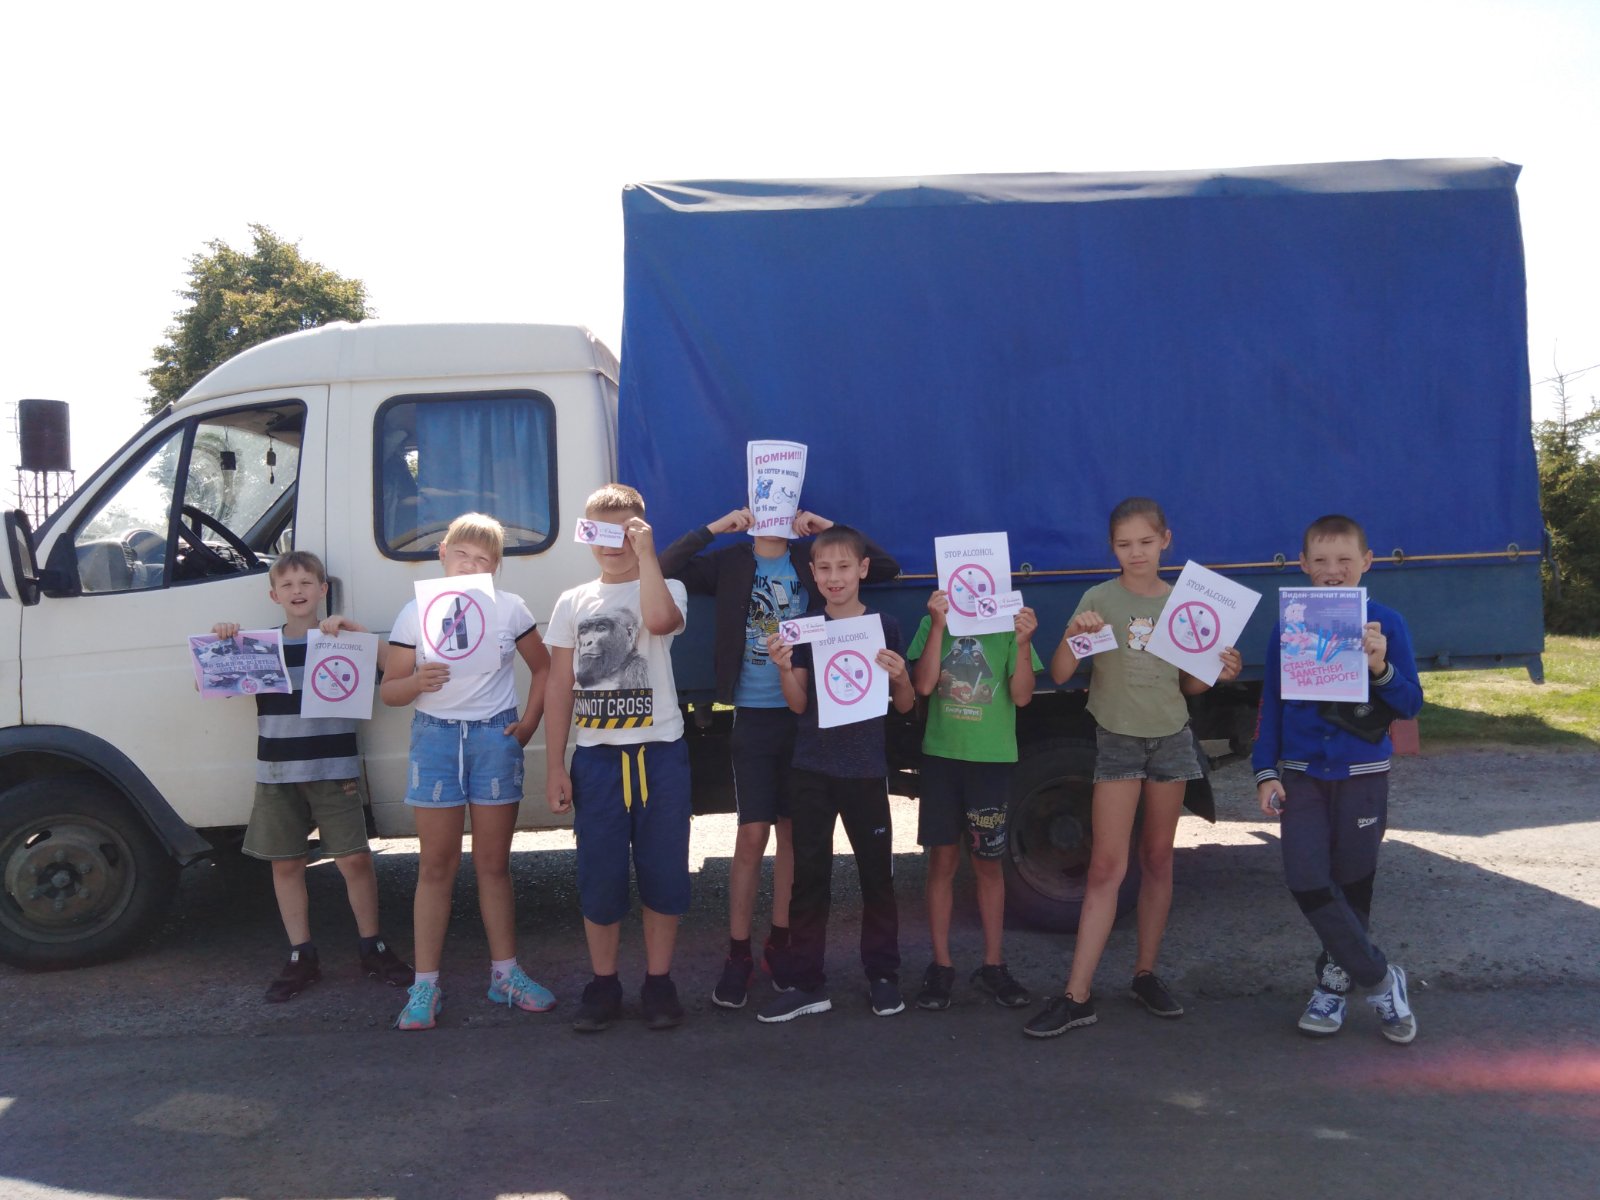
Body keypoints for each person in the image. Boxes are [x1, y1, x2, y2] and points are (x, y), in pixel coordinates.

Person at [658, 505, 901, 1009]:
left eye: (784, 501)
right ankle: (738, 954)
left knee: (798, 839)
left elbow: (881, 566)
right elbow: (663, 566)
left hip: (809, 719)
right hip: (755, 714)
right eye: (765, 499)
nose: (774, 510)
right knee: (752, 834)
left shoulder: (811, 559)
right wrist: (716, 527)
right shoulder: (730, 561)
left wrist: (825, 527)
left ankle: (784, 945)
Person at [1024, 497, 1241, 1038]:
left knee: (1158, 859)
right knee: (1105, 867)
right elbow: (1061, 671)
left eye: (1145, 542)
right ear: (1111, 548)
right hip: (1118, 742)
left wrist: (1218, 670)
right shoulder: (1099, 599)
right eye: (1124, 545)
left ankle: (1145, 974)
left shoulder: (1184, 603)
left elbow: (1189, 684)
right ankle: (1076, 995)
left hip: (1171, 741)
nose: (1136, 552)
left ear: (1166, 540)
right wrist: (1074, 637)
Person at [211, 550, 412, 1002]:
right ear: (274, 595)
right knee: (286, 863)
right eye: (287, 585)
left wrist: (359, 632)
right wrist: (224, 639)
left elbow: (398, 667)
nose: (297, 591)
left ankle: (373, 946)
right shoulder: (258, 647)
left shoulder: (343, 642)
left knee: (355, 860)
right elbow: (210, 680)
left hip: (334, 769)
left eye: (306, 583)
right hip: (277, 773)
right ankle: (301, 954)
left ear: (323, 590)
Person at [1253, 514, 1424, 1043]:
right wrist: (1265, 771)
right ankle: (1380, 979)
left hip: (1363, 775)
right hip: (1303, 774)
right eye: (1321, 560)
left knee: (1353, 886)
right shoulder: (1288, 626)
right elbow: (1272, 704)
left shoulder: (1387, 624)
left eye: (1345, 559)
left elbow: (1411, 703)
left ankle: (1331, 986)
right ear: (1303, 565)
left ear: (1366, 562)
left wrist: (1380, 668)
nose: (1333, 569)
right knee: (1305, 878)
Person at [383, 513, 553, 1031]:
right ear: (442, 553)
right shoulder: (415, 611)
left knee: (493, 864)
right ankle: (424, 985)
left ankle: (505, 974)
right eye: (462, 554)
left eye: (483, 559)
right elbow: (390, 690)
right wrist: (417, 682)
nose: (471, 564)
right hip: (435, 738)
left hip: (493, 737)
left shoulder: (510, 607)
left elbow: (544, 667)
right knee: (435, 866)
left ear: (496, 567)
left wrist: (528, 723)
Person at [545, 484, 694, 1032]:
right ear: (586, 534)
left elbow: (659, 621)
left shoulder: (667, 586)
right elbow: (559, 685)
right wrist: (555, 764)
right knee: (600, 876)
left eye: (624, 531)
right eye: (600, 531)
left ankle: (659, 982)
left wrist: (647, 555)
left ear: (641, 532)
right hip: (598, 760)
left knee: (664, 872)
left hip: (660, 754)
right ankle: (603, 983)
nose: (612, 544)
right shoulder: (572, 601)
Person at [757, 525, 916, 1022]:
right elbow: (798, 703)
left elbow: (905, 705)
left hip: (865, 770)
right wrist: (784, 669)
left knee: (877, 876)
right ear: (812, 573)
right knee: (809, 878)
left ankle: (884, 976)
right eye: (824, 568)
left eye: (844, 567)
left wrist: (900, 676)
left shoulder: (885, 626)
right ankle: (807, 982)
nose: (834, 577)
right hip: (812, 769)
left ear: (863, 569)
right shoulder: (803, 627)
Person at [907, 587, 1040, 1010]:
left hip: (991, 762)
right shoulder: (934, 621)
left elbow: (1022, 696)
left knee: (988, 864)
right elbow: (923, 685)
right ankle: (941, 965)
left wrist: (1023, 642)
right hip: (942, 760)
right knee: (942, 862)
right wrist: (938, 626)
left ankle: (993, 965)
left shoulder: (1008, 627)